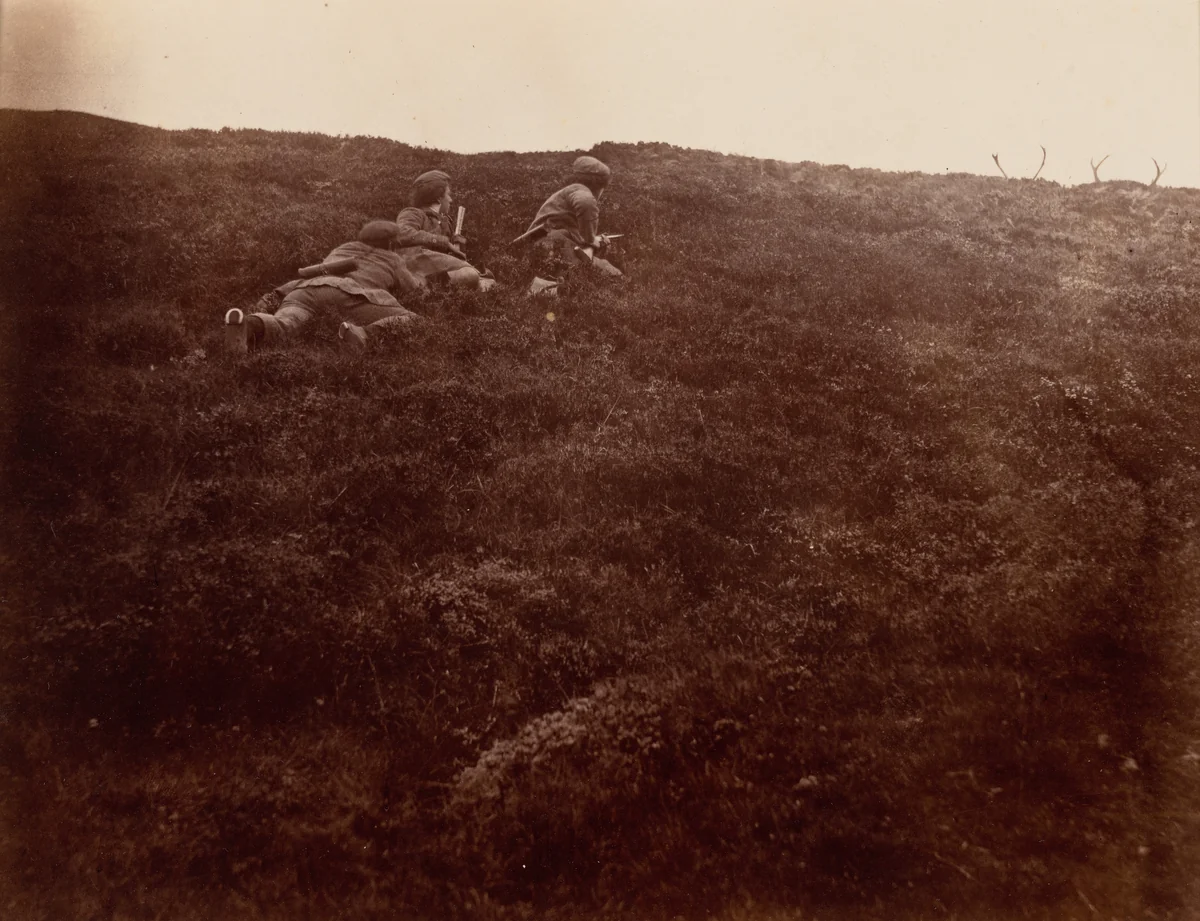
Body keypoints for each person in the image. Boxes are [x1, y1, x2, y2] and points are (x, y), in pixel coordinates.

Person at [224, 220, 423, 354]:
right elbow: (415, 290)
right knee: (414, 320)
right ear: (391, 243)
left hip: (308, 289)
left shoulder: (343, 248)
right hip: (352, 294)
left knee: (285, 323)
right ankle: (361, 334)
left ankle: (249, 325)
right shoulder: (393, 258)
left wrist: (276, 295)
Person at [519, 155, 623, 286]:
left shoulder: (570, 192)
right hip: (554, 245)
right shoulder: (583, 193)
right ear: (599, 185)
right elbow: (585, 203)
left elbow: (570, 230)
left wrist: (594, 242)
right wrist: (591, 240)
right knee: (613, 276)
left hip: (541, 246)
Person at [394, 170, 494, 289]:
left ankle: (436, 289)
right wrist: (443, 242)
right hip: (415, 266)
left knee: (488, 278)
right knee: (471, 275)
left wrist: (457, 247)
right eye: (448, 194)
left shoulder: (446, 222)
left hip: (436, 269)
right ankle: (427, 288)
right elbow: (402, 233)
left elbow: (449, 257)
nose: (450, 199)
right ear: (438, 198)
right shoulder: (413, 213)